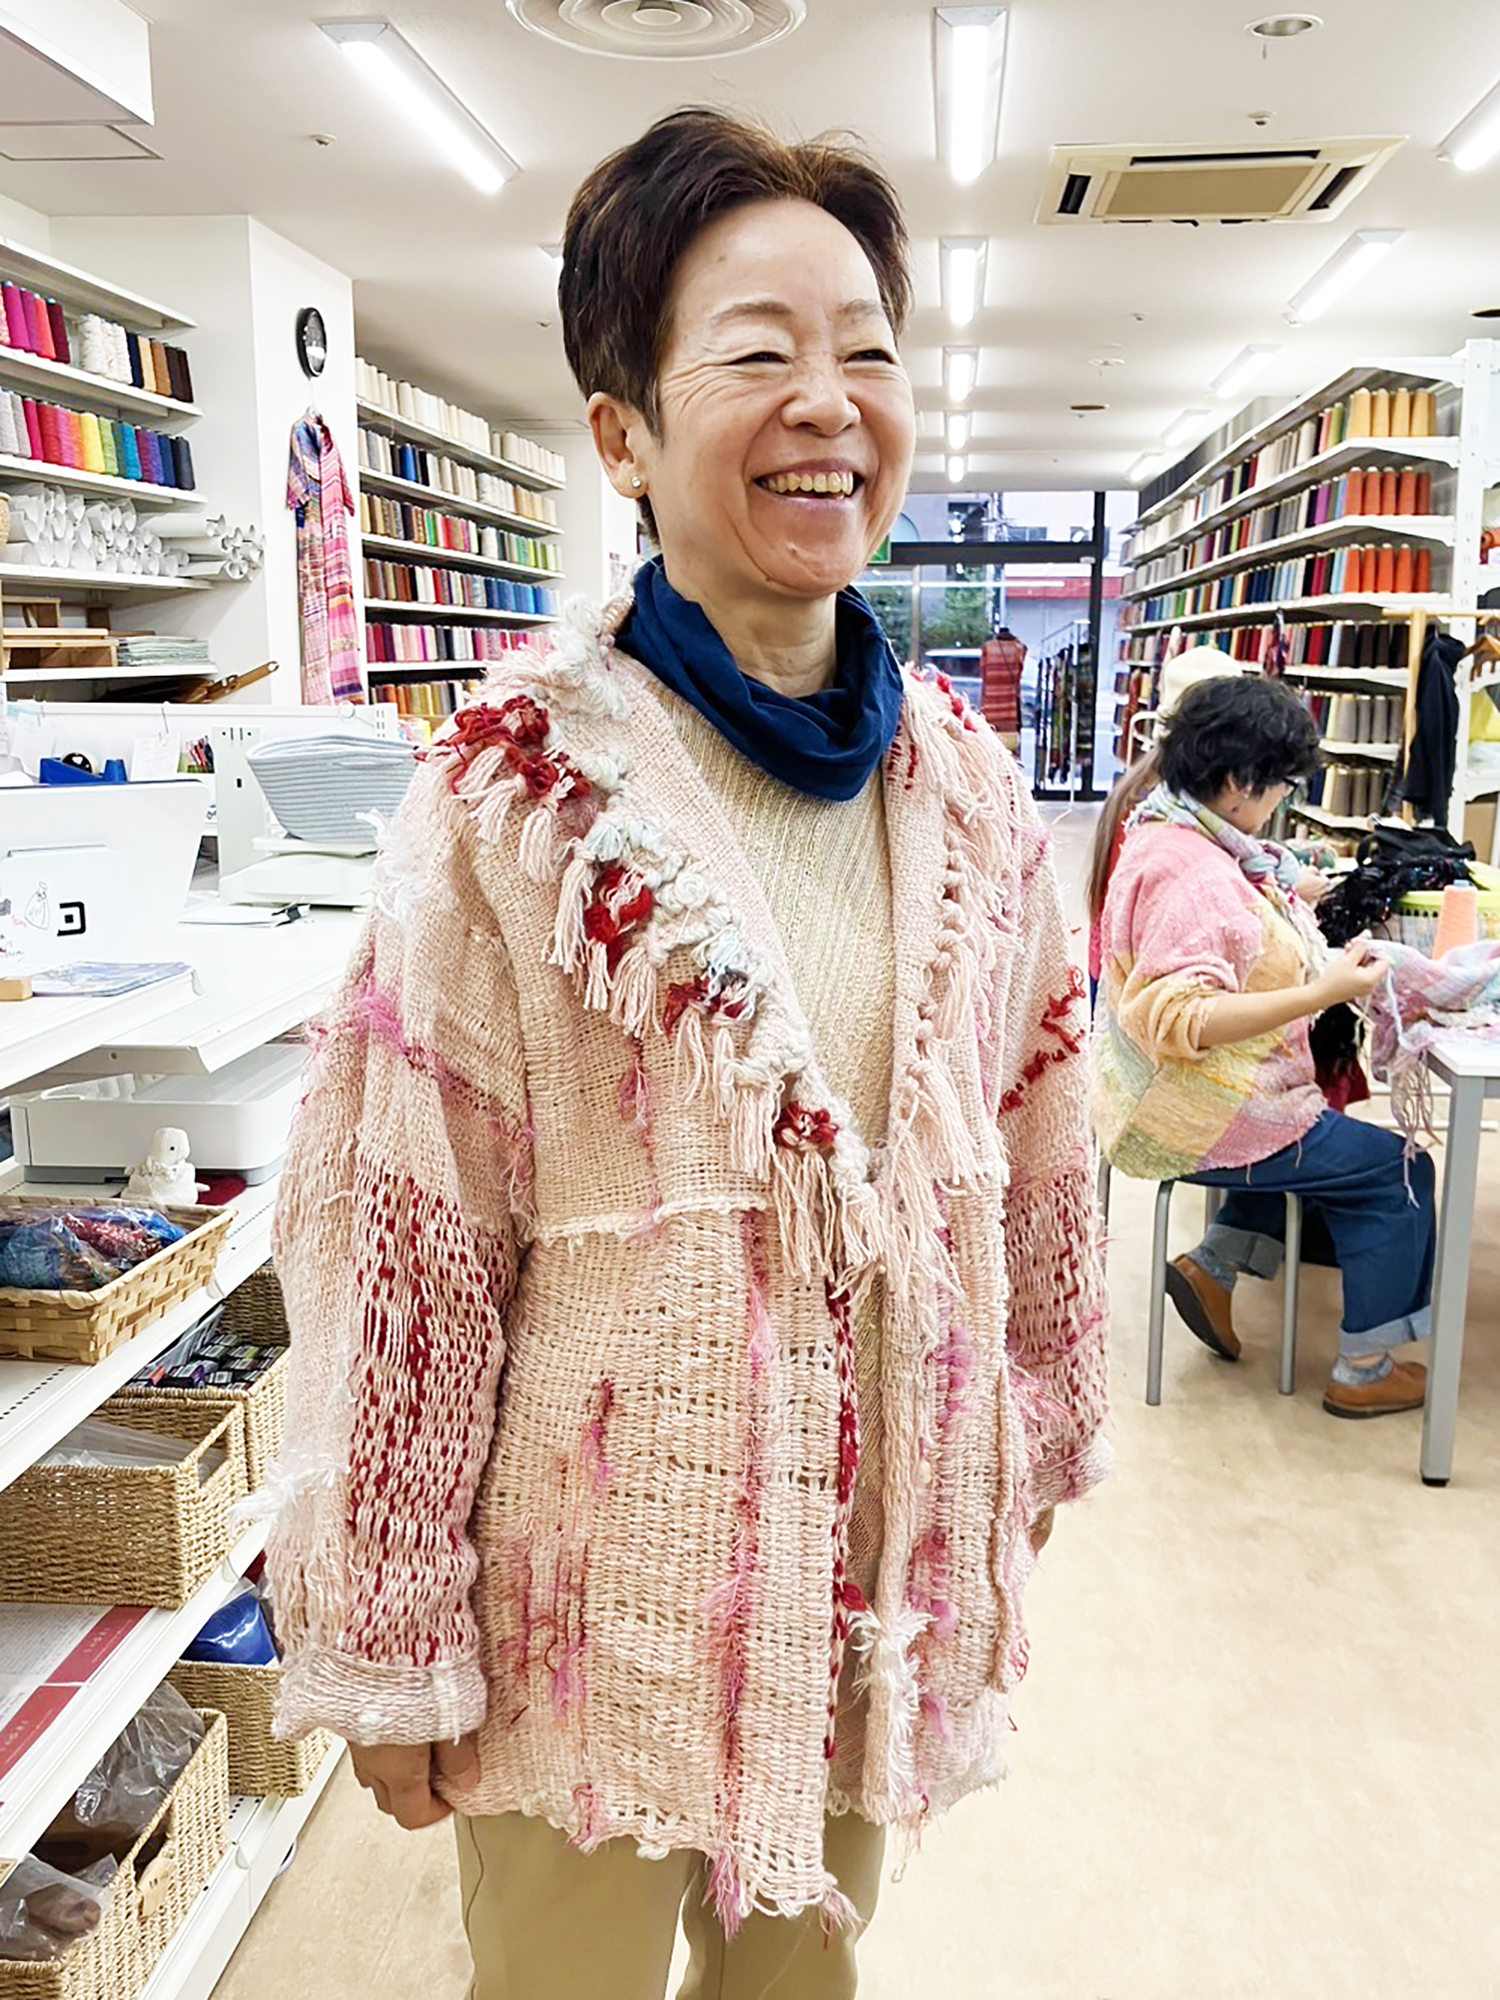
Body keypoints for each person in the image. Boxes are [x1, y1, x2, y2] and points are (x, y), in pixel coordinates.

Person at [264, 107, 1109, 2000]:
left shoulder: (968, 794)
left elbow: (1042, 1136)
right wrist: (390, 1620)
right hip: (594, 1600)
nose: (829, 403)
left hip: (860, 1582)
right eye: (757, 353)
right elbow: (408, 1227)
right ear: (624, 434)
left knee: (806, 1979)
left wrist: (1023, 1437)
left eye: (866, 350)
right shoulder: (521, 795)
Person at [1093, 673, 1434, 1418]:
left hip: (1162, 1092)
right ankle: (1366, 1368)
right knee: (1397, 1171)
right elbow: (1182, 1016)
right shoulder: (1197, 877)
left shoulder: (1167, 832)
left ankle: (1214, 1265)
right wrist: (1320, 992)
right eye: (1279, 784)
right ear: (1237, 783)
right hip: (1197, 1108)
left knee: (1321, 1138)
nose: (1280, 799)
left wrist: (1296, 928)